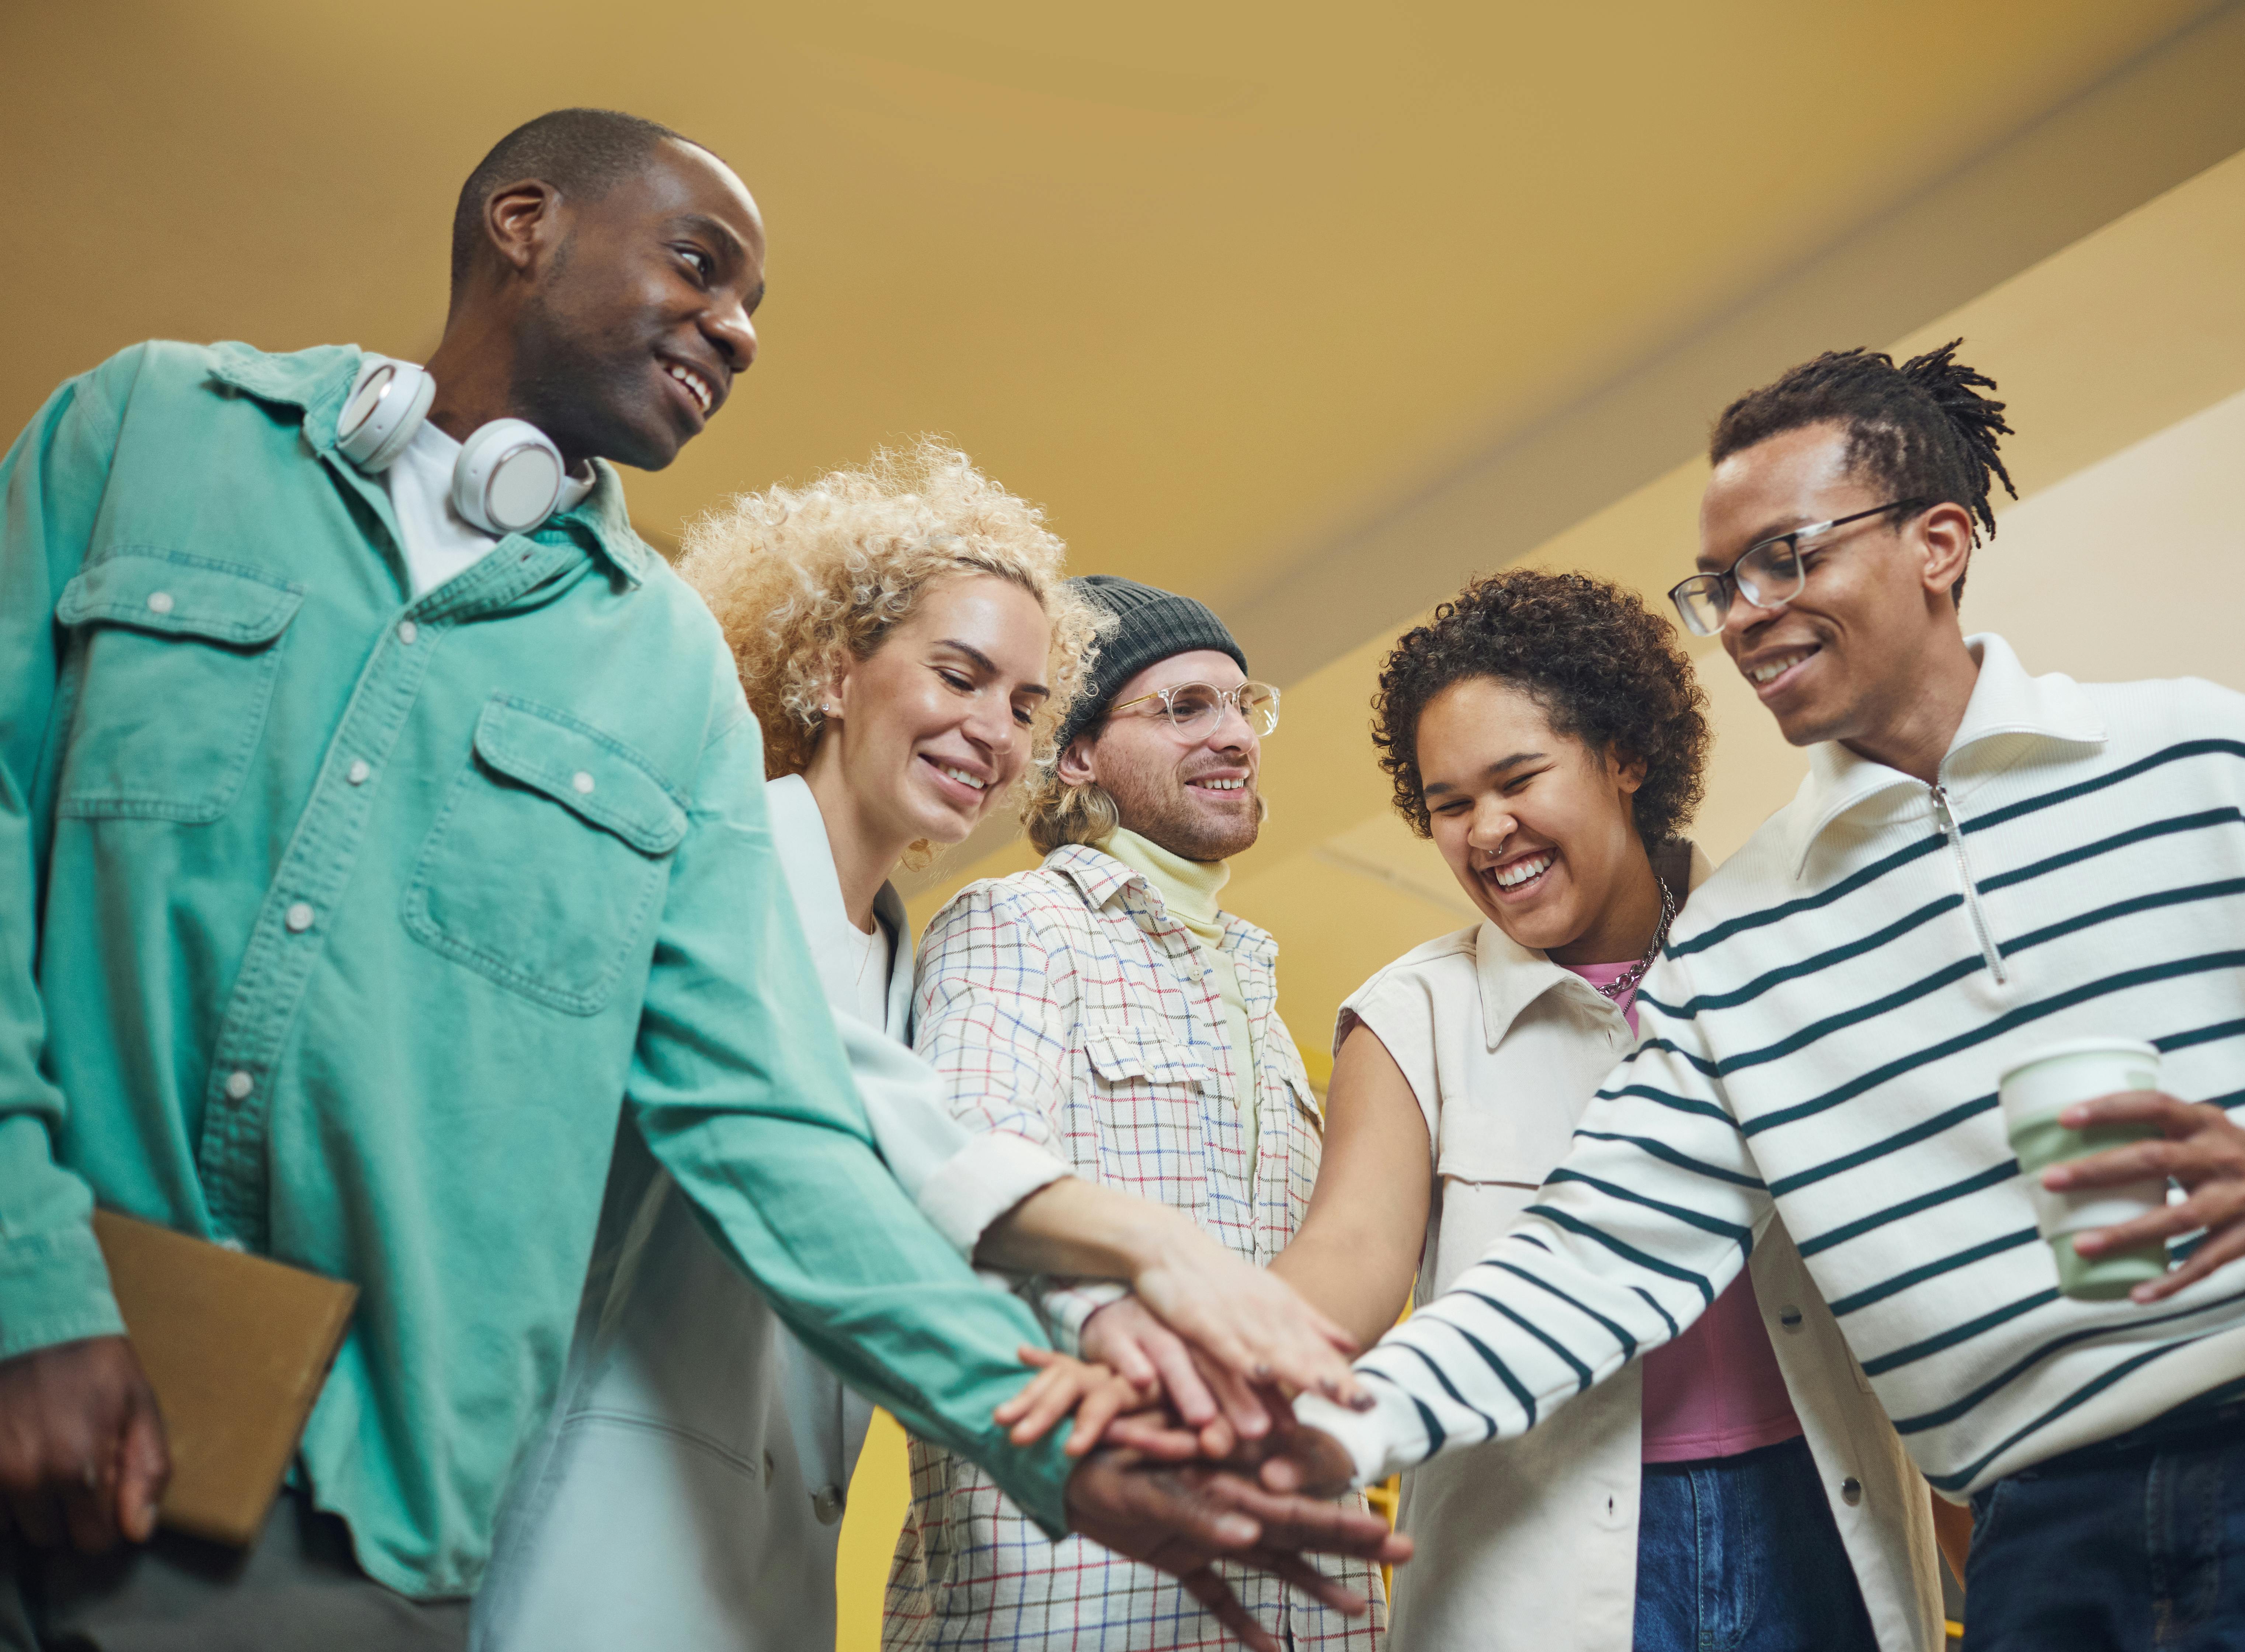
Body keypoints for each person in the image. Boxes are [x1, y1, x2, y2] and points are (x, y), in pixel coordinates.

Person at [0, 108, 1403, 1651]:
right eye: (701, 264)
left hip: (358, 1510)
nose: (736, 330)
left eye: (1023, 701)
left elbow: (770, 1116)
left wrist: (1058, 1435)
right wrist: (32, 1282)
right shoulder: (145, 432)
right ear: (521, 223)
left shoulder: (655, 672)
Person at [1252, 343, 2245, 1647]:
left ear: (1939, 542)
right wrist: (1312, 1426)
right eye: (1719, 585)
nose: (1743, 613)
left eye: (1788, 558)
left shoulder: (2212, 754)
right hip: (2039, 1540)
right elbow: (1588, 1260)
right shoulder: (1738, 945)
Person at [477, 441, 1363, 1651]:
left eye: (1022, 705)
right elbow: (825, 1116)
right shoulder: (705, 861)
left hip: (782, 1563)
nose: (991, 730)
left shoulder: (903, 965)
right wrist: (1139, 1261)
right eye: (959, 676)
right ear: (834, 673)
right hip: (601, 1520)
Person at [1273, 567, 1944, 1651]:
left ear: (1626, 755)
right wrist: (1221, 1376)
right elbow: (1348, 1256)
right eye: (1450, 804)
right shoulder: (1412, 1015)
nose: (1488, 828)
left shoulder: (1780, 955)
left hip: (1813, 1524)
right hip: (1531, 1557)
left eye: (1517, 778)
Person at [888, 576, 1384, 1649]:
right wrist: (1124, 1353)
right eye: (1184, 708)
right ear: (1075, 753)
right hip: (1071, 1583)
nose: (1236, 737)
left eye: (1245, 706)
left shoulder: (1255, 976)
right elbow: (968, 1178)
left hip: (1294, 1587)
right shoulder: (1020, 923)